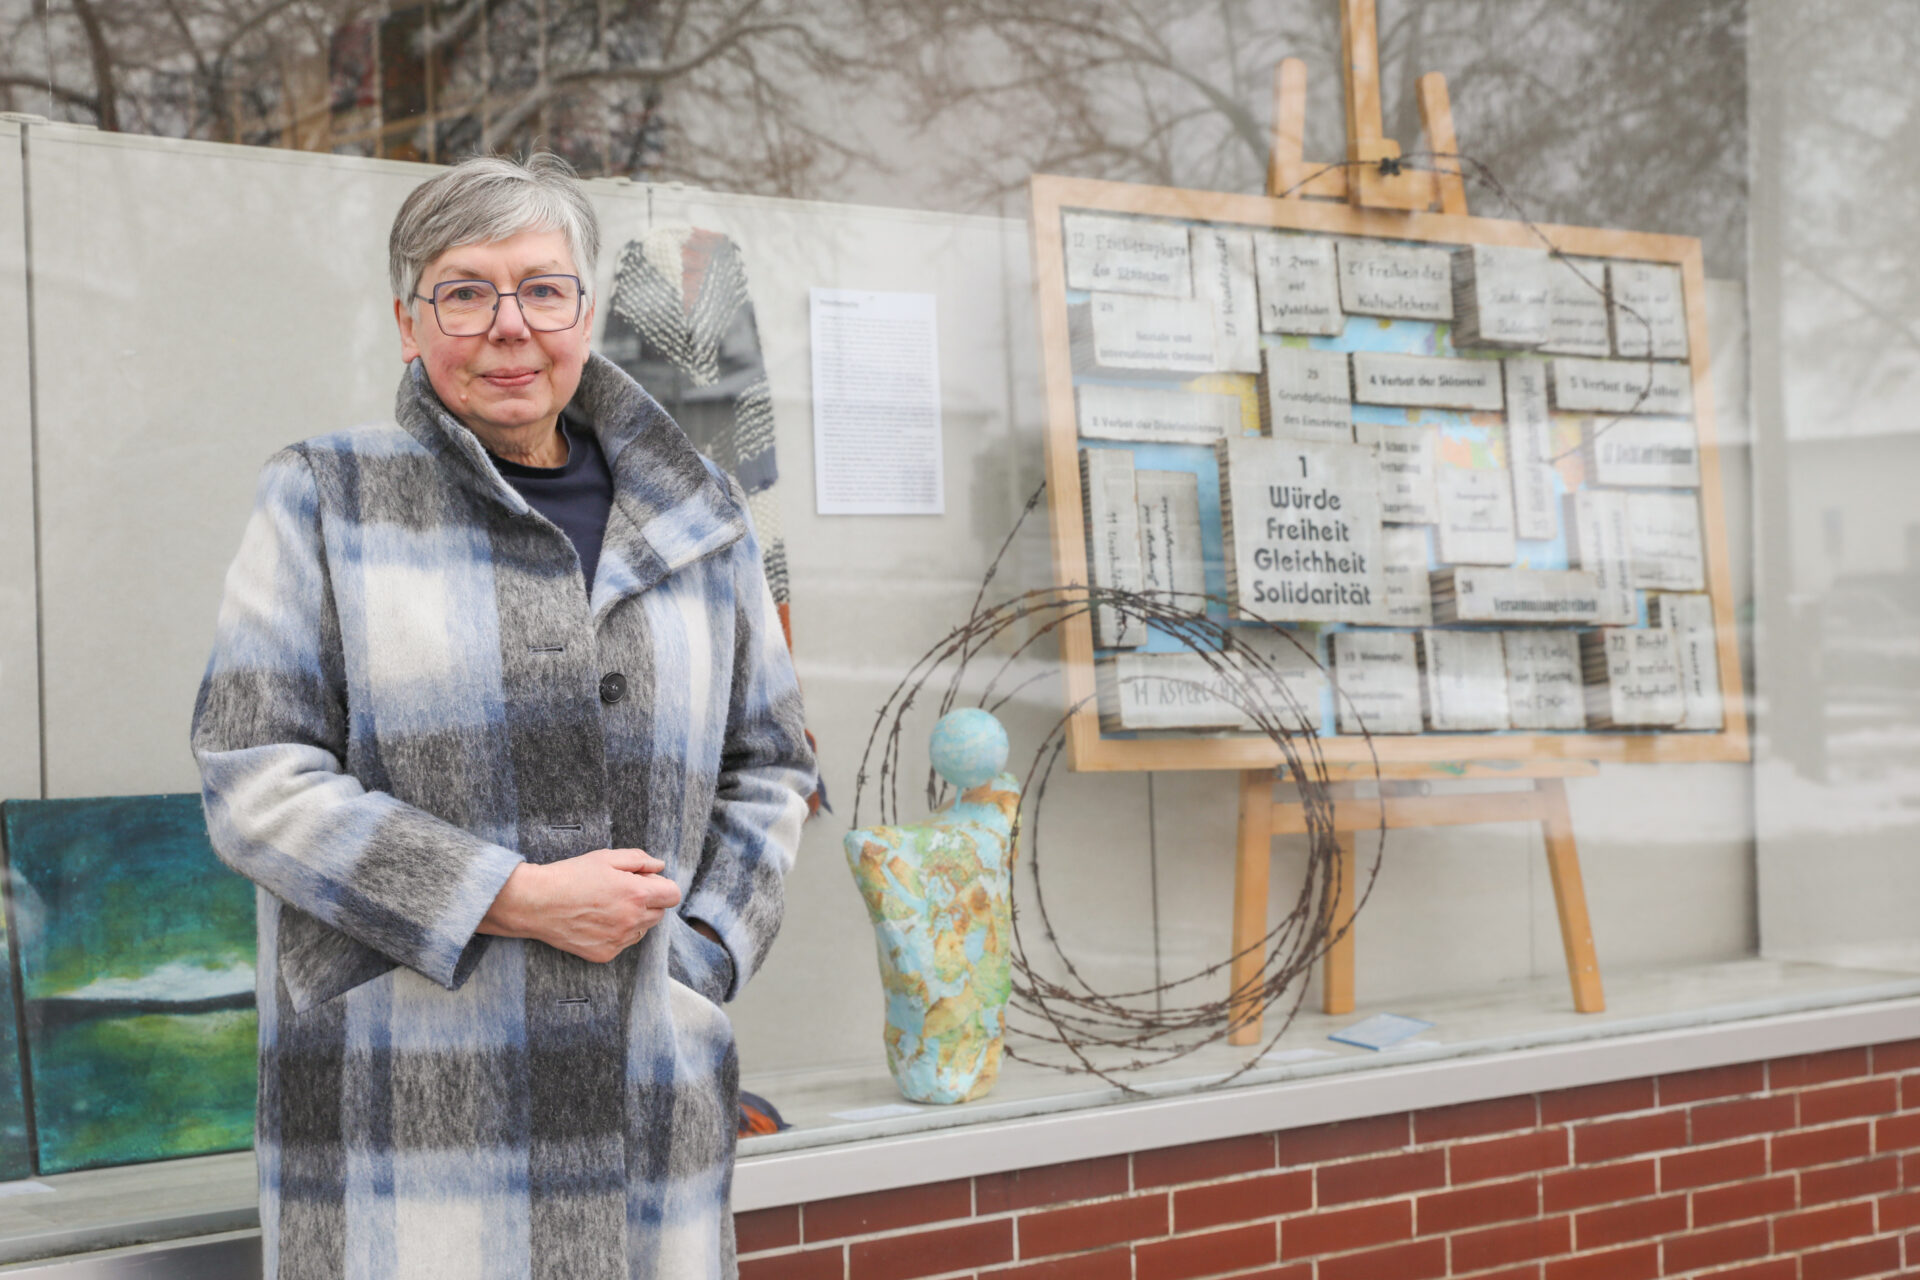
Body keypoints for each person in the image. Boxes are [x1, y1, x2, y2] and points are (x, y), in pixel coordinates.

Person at [190, 152, 815, 1279]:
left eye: (542, 287)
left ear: (586, 308)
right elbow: (256, 779)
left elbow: (768, 763)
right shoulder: (326, 497)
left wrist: (705, 951)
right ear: (407, 321)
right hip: (411, 1112)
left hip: (645, 1098)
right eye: (465, 290)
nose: (508, 324)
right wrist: (510, 896)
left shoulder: (696, 517)